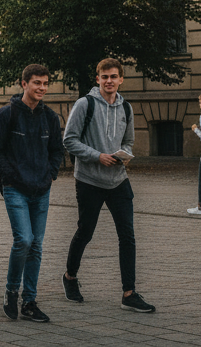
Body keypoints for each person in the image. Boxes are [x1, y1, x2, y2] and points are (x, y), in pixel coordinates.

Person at [63, 58, 155, 314]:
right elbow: (69, 140)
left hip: (118, 180)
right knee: (86, 231)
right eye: (105, 77)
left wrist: (123, 154)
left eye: (114, 77)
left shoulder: (126, 108)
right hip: (89, 180)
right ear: (98, 79)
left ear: (121, 79)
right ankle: (70, 276)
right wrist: (98, 156)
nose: (109, 81)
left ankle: (129, 293)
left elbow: (129, 141)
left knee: (127, 236)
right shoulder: (85, 104)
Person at [0, 65, 63, 323]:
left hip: (41, 189)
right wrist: (10, 177)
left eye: (45, 83)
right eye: (36, 83)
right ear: (24, 84)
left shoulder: (50, 117)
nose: (41, 88)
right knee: (24, 240)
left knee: (36, 246)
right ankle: (11, 291)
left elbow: (56, 151)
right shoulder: (7, 114)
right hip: (15, 189)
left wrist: (50, 174)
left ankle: (29, 301)